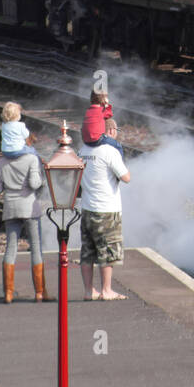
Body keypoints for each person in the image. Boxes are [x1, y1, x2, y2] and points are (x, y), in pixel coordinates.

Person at [0, 103, 46, 302]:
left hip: (10, 207)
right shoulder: (31, 160)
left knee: (11, 248)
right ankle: (39, 292)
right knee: (36, 246)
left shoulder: (1, 162)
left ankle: (8, 293)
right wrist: (40, 181)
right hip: (29, 207)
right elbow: (34, 183)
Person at [77, 128, 130, 301]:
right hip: (107, 208)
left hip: (87, 207)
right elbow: (126, 177)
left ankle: (88, 290)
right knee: (107, 250)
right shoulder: (110, 151)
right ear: (109, 131)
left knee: (87, 251)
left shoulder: (82, 151)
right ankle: (106, 290)